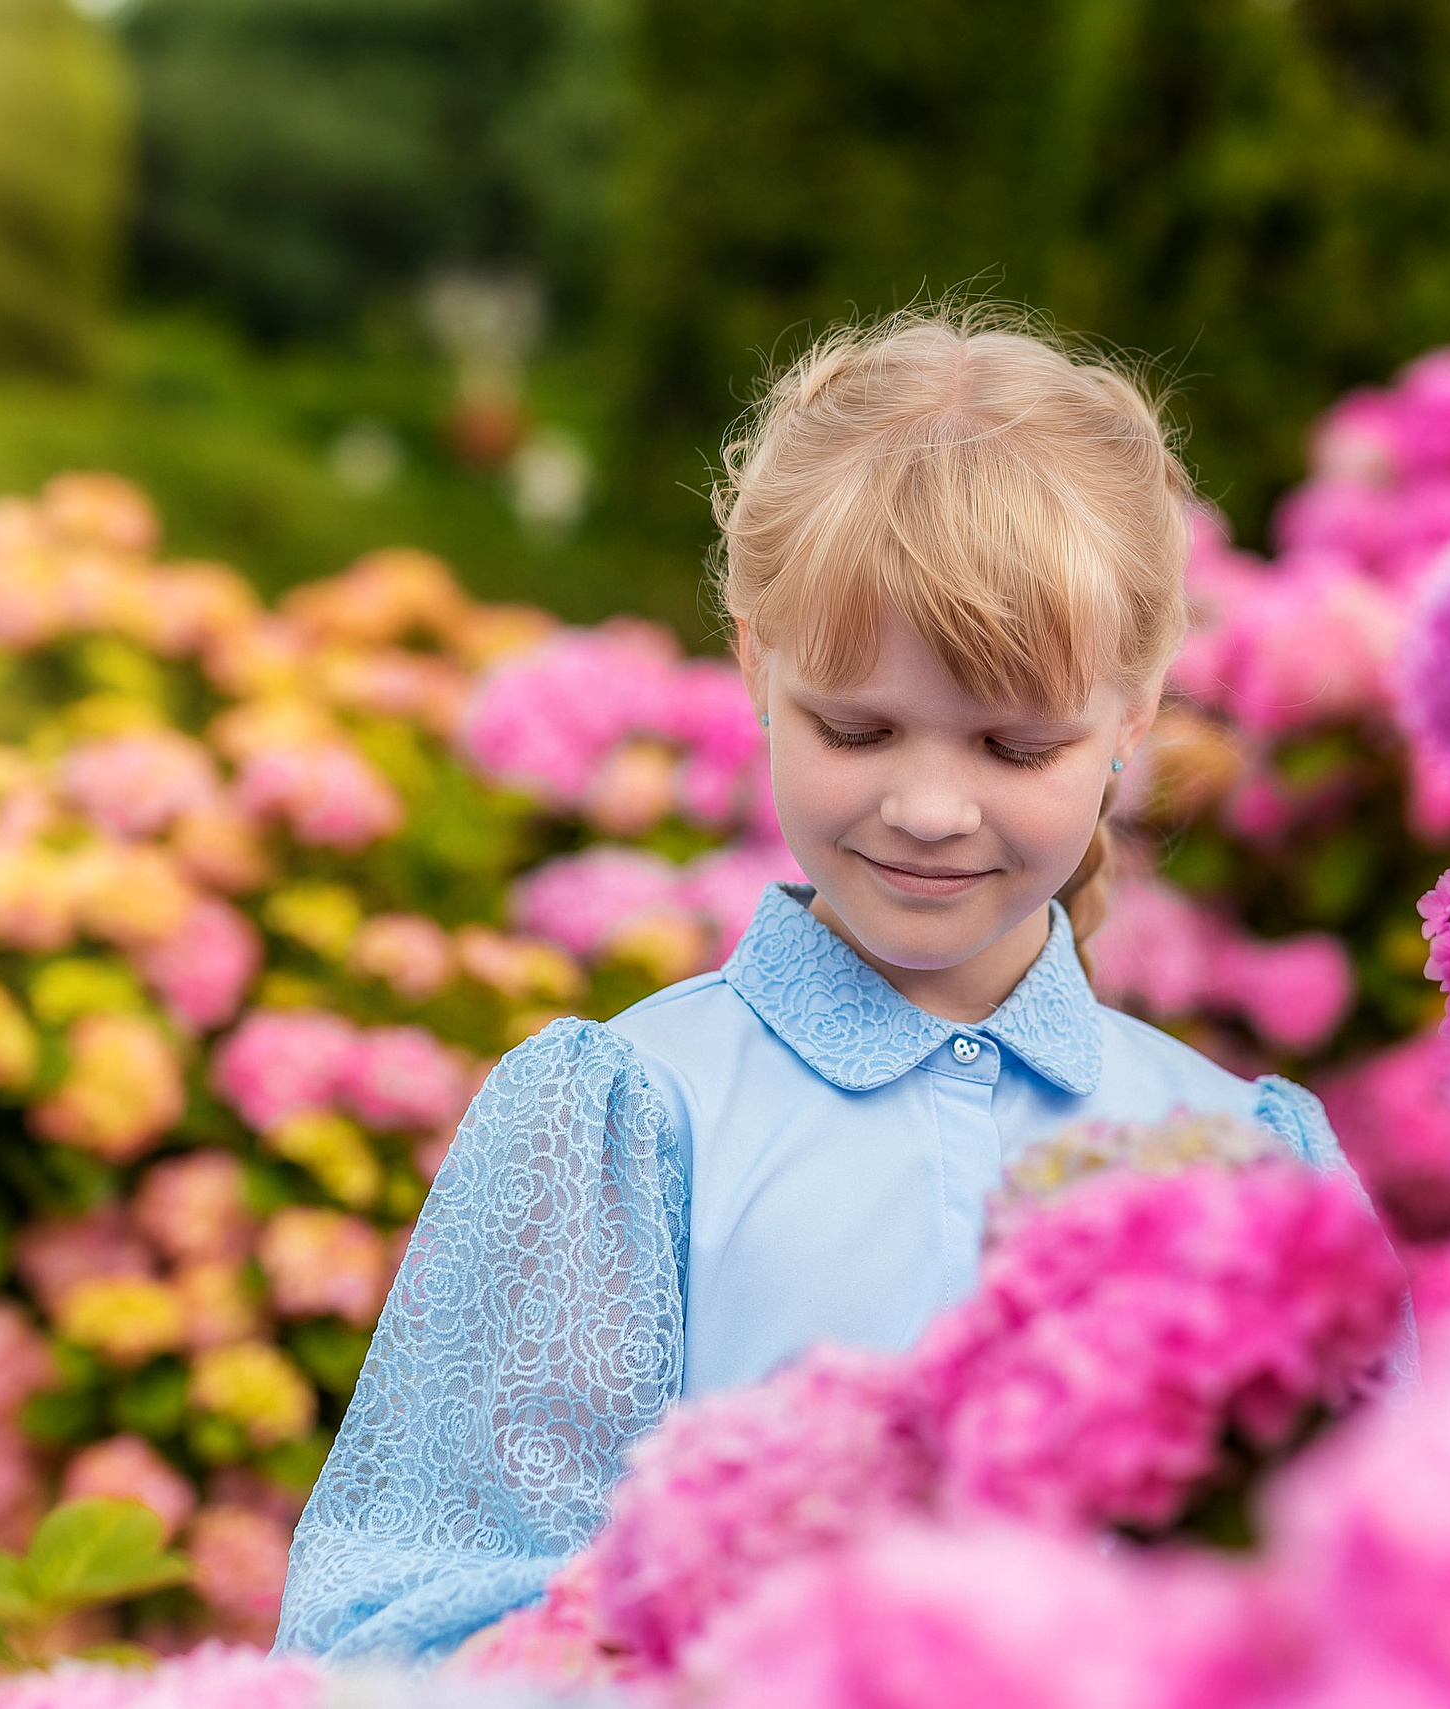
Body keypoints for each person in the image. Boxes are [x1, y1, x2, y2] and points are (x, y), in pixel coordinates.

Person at [275, 311, 1346, 1664]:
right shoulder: (622, 1122)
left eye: (1017, 745)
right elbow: (394, 1628)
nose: (929, 805)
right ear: (755, 660)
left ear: (1132, 716)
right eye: (859, 727)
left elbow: (1368, 1614)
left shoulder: (1251, 1159)